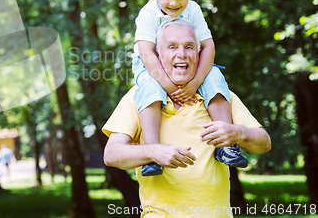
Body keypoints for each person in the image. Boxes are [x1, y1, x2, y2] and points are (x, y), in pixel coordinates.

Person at [103, 19, 271, 217]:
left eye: (189, 47)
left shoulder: (219, 96)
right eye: (172, 46)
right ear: (157, 56)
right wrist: (154, 152)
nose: (181, 54)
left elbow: (264, 143)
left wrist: (238, 133)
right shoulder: (139, 97)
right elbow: (112, 154)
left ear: (200, 55)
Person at [132, 0, 246, 176]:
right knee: (150, 88)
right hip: (151, 63)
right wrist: (168, 86)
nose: (174, 3)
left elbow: (208, 46)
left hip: (187, 62)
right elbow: (146, 53)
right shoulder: (147, 14)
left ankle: (226, 147)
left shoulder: (193, 10)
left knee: (214, 77)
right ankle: (152, 153)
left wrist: (195, 83)